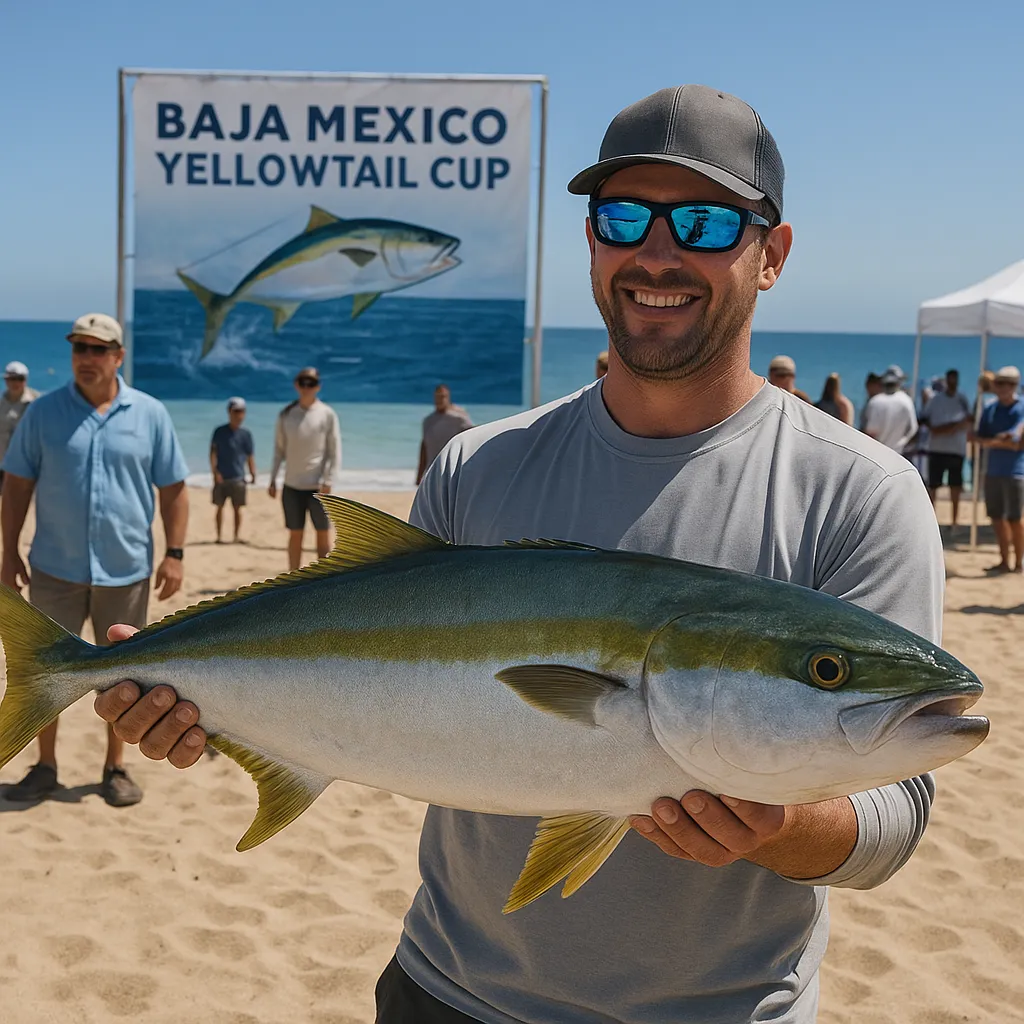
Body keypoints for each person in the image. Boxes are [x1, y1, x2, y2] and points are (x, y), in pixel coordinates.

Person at [96, 84, 944, 1024]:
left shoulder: (861, 493)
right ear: (591, 241)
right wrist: (206, 709)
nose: (656, 253)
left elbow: (897, 812)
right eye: (624, 217)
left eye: (704, 223)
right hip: (445, 992)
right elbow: (370, 687)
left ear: (771, 254)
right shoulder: (476, 466)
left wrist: (781, 828)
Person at [1, 312, 189, 806]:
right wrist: (8, 552)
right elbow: (17, 484)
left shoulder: (150, 413)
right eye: (79, 348)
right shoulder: (41, 415)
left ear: (118, 356)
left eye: (98, 349)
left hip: (125, 571)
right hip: (53, 568)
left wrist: (174, 553)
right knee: (43, 671)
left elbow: (173, 489)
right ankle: (44, 766)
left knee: (126, 675)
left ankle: (115, 768)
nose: (87, 358)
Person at [268, 367, 341, 570]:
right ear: (296, 385)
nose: (307, 387)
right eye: (303, 382)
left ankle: (323, 579)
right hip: (291, 486)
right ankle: (293, 578)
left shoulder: (327, 414)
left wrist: (329, 480)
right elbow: (279, 450)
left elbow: (334, 451)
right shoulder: (286, 415)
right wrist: (272, 479)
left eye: (311, 383)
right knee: (295, 533)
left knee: (323, 533)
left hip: (318, 487)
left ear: (318, 386)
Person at [971, 365, 1024, 573]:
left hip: (1016, 471)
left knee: (1014, 518)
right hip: (993, 471)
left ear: (1015, 385)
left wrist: (991, 442)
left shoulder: (1021, 408)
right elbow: (978, 437)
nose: (1004, 388)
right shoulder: (990, 408)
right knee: (996, 517)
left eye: (1008, 384)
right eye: (1000, 383)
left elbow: (1015, 439)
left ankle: (1018, 563)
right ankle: (1004, 560)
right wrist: (999, 441)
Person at [921, 369, 971, 529]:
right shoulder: (936, 400)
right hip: (937, 448)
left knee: (955, 486)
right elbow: (924, 418)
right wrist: (940, 429)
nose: (952, 382)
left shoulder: (962, 399)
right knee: (934, 485)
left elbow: (969, 420)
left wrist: (950, 428)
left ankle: (954, 521)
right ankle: (931, 520)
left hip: (956, 449)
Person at [210, 396, 256, 544]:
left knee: (238, 509)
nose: (238, 415)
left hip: (238, 477)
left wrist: (253, 473)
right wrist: (215, 472)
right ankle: (219, 536)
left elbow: (250, 456)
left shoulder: (246, 434)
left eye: (241, 411)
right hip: (222, 476)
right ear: (229, 412)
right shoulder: (219, 431)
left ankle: (236, 536)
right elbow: (213, 453)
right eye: (235, 411)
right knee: (219, 507)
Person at [416, 385, 474, 485]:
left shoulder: (459, 418)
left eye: (443, 396)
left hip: (454, 471)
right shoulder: (428, 421)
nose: (440, 400)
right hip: (433, 472)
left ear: (448, 397)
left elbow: (472, 440)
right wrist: (419, 476)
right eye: (437, 397)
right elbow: (424, 448)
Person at [0, 361, 39, 491]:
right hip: (2, 464)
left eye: (19, 379)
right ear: (6, 380)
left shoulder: (37, 402)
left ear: (26, 380)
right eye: (12, 379)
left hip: (28, 466)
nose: (15, 383)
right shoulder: (1, 404)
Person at [862, 368, 918, 453]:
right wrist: (902, 442)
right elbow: (912, 429)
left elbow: (870, 431)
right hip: (898, 452)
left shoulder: (875, 401)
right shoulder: (906, 401)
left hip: (876, 452)